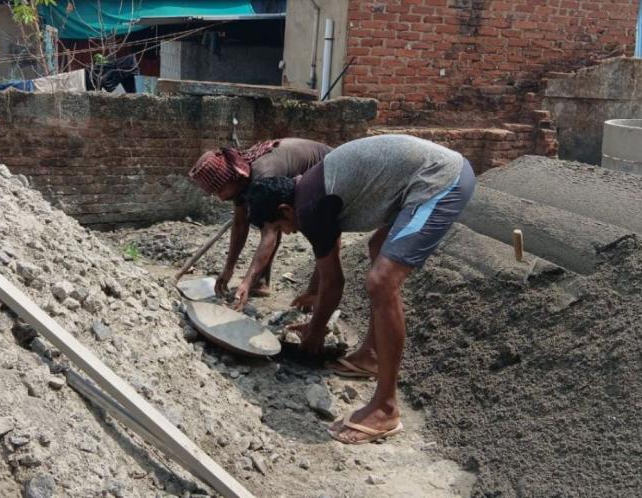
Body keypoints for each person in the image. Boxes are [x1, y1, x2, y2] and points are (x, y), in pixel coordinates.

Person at [245, 135, 475, 444]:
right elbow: (328, 265)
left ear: (285, 210)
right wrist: (316, 321)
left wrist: (315, 333)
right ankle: (371, 355)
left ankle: (386, 408)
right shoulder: (307, 193)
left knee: (381, 281)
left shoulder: (309, 207)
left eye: (280, 227)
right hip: (418, 178)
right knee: (378, 246)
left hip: (441, 180)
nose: (287, 232)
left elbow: (335, 282)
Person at [188, 138, 331, 309]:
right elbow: (240, 224)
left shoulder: (263, 174)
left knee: (318, 230)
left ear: (231, 178)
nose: (220, 197)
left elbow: (270, 231)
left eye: (220, 190)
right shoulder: (240, 178)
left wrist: (246, 282)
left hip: (328, 170)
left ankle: (315, 294)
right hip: (305, 172)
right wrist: (228, 269)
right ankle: (261, 282)